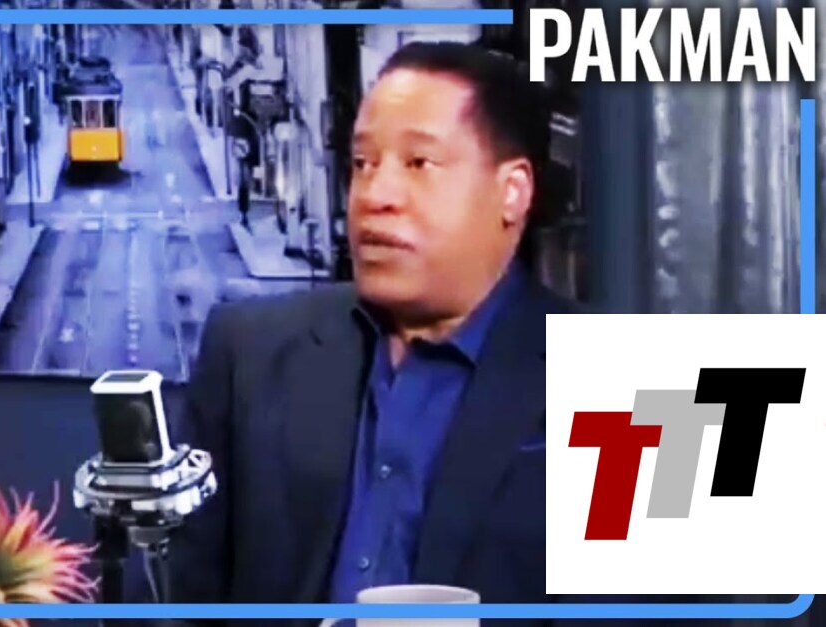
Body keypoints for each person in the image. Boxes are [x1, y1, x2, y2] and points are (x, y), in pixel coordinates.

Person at [146, 41, 725, 626]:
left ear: (512, 191)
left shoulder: (643, 388)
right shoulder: (247, 353)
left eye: (418, 164)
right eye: (363, 163)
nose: (375, 196)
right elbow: (173, 603)